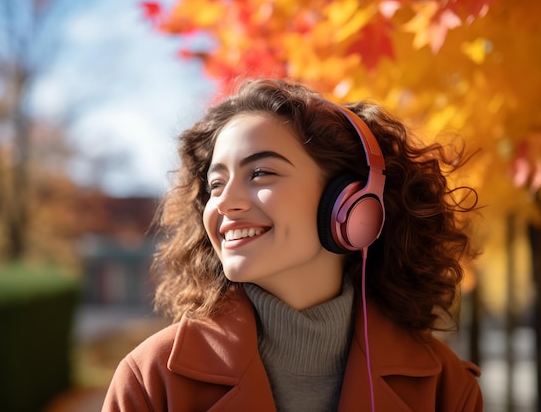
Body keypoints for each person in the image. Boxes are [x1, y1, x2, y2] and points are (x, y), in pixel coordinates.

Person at [101, 78, 483, 412]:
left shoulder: (445, 388)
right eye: (216, 184)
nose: (225, 202)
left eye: (261, 172)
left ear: (352, 205)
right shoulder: (150, 380)